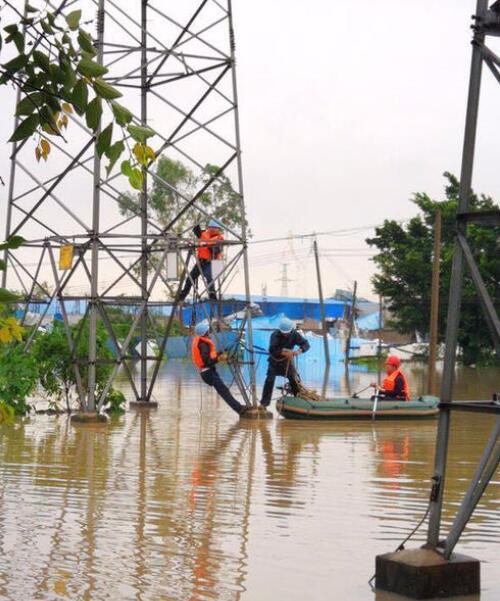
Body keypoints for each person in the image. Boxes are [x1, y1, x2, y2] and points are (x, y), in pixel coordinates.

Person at [192, 321, 248, 416]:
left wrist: (221, 353)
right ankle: (239, 409)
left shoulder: (202, 343)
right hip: (208, 373)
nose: (209, 332)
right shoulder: (203, 345)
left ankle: (239, 408)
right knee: (224, 391)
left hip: (207, 372)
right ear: (205, 332)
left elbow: (211, 358)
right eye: (208, 331)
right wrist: (219, 359)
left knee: (224, 390)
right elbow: (207, 362)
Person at [260, 317, 310, 408]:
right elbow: (272, 349)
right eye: (284, 333)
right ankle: (264, 403)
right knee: (269, 380)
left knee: (294, 380)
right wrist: (284, 352)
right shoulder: (274, 335)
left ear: (291, 330)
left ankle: (299, 400)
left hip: (287, 362)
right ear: (280, 330)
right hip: (274, 361)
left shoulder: (294, 335)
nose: (286, 335)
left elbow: (306, 344)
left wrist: (299, 350)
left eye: (287, 333)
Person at [179, 220, 224, 301]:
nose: (215, 230)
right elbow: (197, 230)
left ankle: (212, 296)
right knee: (190, 278)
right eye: (213, 228)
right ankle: (182, 295)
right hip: (200, 262)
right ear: (210, 228)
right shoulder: (203, 234)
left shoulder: (219, 238)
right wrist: (196, 223)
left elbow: (218, 249)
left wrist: (212, 248)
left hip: (209, 262)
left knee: (209, 277)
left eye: (217, 228)